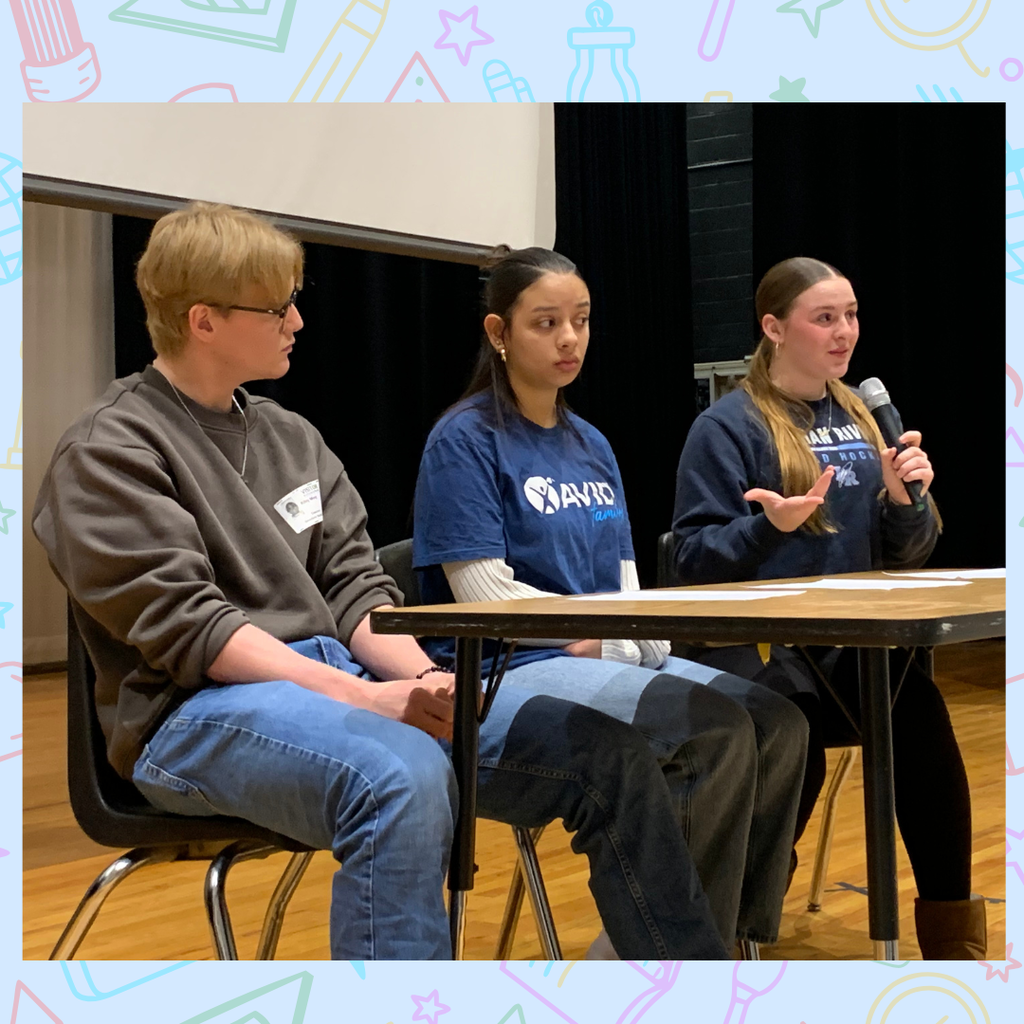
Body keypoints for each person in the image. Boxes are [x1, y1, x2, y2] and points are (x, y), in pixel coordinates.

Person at [32, 202, 740, 961]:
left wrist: (433, 684)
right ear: (203, 321)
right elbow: (195, 630)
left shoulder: (290, 435)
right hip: (194, 712)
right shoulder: (111, 448)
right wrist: (367, 697)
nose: (297, 322)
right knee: (396, 776)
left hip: (331, 681)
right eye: (277, 307)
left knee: (607, 756)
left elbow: (356, 593)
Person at [412, 246, 809, 956]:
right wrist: (614, 636)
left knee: (778, 724)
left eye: (582, 320)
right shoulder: (464, 440)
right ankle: (678, 963)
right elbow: (488, 598)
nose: (570, 339)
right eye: (546, 323)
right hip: (506, 667)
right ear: (499, 333)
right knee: (710, 731)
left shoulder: (591, 443)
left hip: (599, 650)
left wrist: (630, 640)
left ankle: (716, 946)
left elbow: (625, 581)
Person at [671, 255, 984, 958]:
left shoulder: (861, 415)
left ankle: (952, 942)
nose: (844, 332)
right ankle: (729, 934)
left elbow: (908, 556)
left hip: (846, 649)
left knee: (919, 717)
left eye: (850, 315)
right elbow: (690, 558)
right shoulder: (729, 427)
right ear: (775, 328)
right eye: (825, 318)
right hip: (758, 654)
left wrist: (908, 503)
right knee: (796, 736)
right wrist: (767, 528)